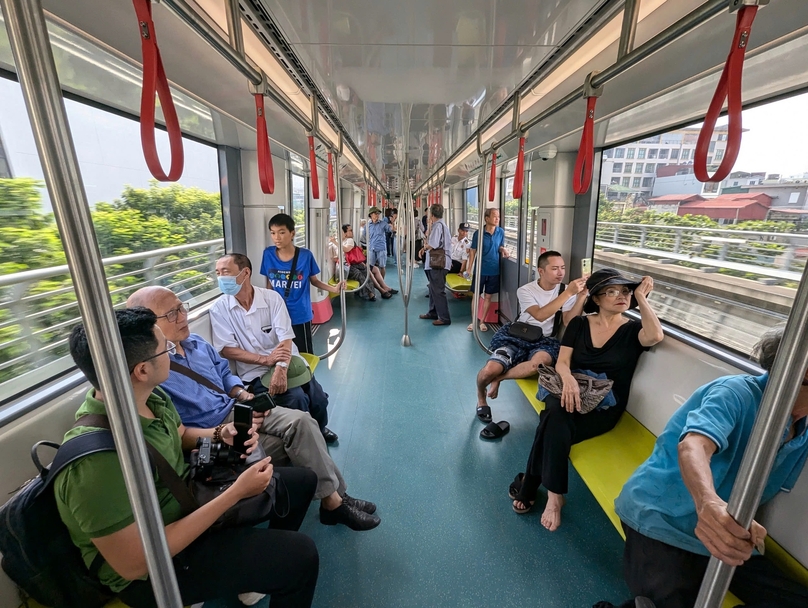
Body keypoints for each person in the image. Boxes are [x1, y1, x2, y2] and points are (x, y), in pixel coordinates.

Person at [56, 307, 319, 608]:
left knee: (302, 482)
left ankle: (253, 577)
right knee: (301, 557)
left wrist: (223, 434)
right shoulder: (94, 465)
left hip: (186, 499)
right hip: (154, 570)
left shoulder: (151, 398)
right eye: (165, 349)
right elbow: (135, 564)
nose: (173, 352)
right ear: (141, 370)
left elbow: (181, 435)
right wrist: (236, 493)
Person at [128, 286, 381, 531]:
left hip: (236, 409)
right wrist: (223, 431)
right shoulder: (153, 372)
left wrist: (243, 395)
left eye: (182, 308)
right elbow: (179, 435)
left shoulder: (197, 344)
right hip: (211, 435)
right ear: (148, 327)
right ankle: (335, 501)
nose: (183, 317)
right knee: (299, 441)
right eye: (172, 314)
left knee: (302, 420)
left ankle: (336, 498)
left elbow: (225, 374)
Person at [595, 325, 808, 608]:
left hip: (726, 525)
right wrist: (707, 502)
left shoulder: (802, 427)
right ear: (800, 373)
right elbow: (693, 446)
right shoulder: (734, 393)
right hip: (662, 516)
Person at [510, 268, 663, 531]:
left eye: (626, 291)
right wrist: (567, 378)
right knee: (556, 412)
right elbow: (564, 361)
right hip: (568, 391)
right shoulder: (580, 324)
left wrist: (642, 297)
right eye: (612, 291)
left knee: (549, 425)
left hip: (604, 406)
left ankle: (530, 484)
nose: (621, 296)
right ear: (597, 299)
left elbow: (656, 336)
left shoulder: (633, 330)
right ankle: (556, 497)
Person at [212, 253, 339, 444]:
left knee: (319, 398)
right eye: (218, 273)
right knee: (296, 399)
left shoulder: (272, 298)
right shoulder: (219, 309)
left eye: (226, 272)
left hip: (288, 360)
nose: (221, 278)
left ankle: (319, 429)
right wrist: (266, 360)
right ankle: (307, 442)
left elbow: (285, 338)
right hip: (254, 370)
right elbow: (227, 350)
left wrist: (280, 366)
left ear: (245, 273)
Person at [474, 251, 588, 424]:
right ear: (541, 271)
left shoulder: (566, 291)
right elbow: (540, 315)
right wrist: (568, 294)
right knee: (489, 371)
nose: (561, 273)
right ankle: (481, 397)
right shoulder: (526, 290)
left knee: (538, 364)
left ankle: (500, 378)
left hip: (545, 340)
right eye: (555, 268)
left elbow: (568, 321)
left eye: (563, 268)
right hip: (516, 335)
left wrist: (580, 297)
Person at [259, 213, 344, 354]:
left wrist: (334, 288)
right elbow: (269, 284)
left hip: (299, 313)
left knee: (304, 354)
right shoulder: (268, 254)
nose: (276, 238)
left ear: (292, 233)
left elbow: (314, 281)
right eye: (273, 233)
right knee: (281, 354)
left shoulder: (305, 255)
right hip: (277, 313)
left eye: (281, 232)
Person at [467, 208, 509, 332]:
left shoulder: (500, 232)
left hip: (494, 269)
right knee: (476, 296)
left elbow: (500, 246)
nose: (497, 219)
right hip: (480, 269)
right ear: (487, 218)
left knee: (488, 297)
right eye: (495, 216)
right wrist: (469, 268)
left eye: (498, 217)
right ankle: (474, 321)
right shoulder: (478, 234)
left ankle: (482, 321)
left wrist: (504, 250)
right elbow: (473, 251)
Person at [341, 224, 397, 300]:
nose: (352, 232)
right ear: (345, 233)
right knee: (370, 272)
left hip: (357, 263)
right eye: (350, 230)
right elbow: (346, 250)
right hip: (353, 264)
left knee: (374, 270)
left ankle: (382, 288)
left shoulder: (349, 241)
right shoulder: (346, 242)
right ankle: (381, 289)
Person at [418, 203, 453, 326]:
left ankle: (444, 318)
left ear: (431, 215)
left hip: (439, 263)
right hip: (436, 262)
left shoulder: (438, 226)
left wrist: (425, 246)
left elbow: (432, 244)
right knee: (433, 288)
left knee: (438, 290)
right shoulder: (439, 225)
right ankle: (433, 312)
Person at [366, 206, 391, 278]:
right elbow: (364, 236)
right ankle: (371, 282)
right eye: (375, 213)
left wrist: (393, 227)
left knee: (382, 266)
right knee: (370, 267)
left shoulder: (383, 224)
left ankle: (382, 282)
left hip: (381, 248)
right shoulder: (367, 226)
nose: (377, 215)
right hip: (371, 248)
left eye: (378, 214)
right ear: (371, 215)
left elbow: (389, 229)